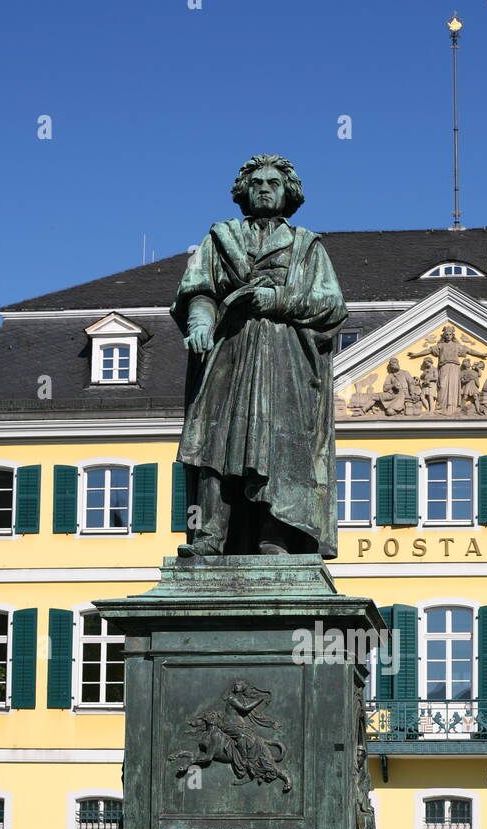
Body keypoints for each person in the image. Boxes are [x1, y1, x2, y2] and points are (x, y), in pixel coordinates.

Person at [171, 153, 347, 558]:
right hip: (227, 351)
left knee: (281, 446)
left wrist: (275, 298)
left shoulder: (307, 246)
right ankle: (208, 535)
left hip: (285, 361)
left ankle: (278, 535)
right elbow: (199, 290)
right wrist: (200, 323)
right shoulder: (219, 239)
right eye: (256, 183)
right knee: (213, 442)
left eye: (273, 182)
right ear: (243, 192)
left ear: (288, 192)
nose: (264, 188)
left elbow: (332, 305)